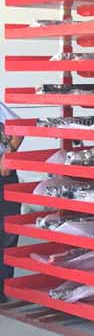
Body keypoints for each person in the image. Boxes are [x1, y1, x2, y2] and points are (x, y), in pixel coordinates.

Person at [0, 101, 23, 302]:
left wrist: (8, 154)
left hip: (2, 175)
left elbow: (18, 127)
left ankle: (1, 289)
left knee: (5, 231)